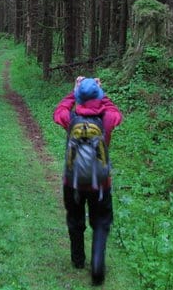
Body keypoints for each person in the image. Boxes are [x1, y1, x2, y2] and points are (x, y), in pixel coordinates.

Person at [53, 76, 122, 286]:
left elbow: (58, 112)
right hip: (101, 184)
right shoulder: (107, 119)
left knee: (75, 220)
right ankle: (98, 264)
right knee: (101, 222)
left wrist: (73, 92)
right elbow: (116, 113)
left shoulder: (70, 118)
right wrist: (104, 93)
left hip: (72, 182)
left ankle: (77, 260)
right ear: (99, 97)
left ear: (78, 98)